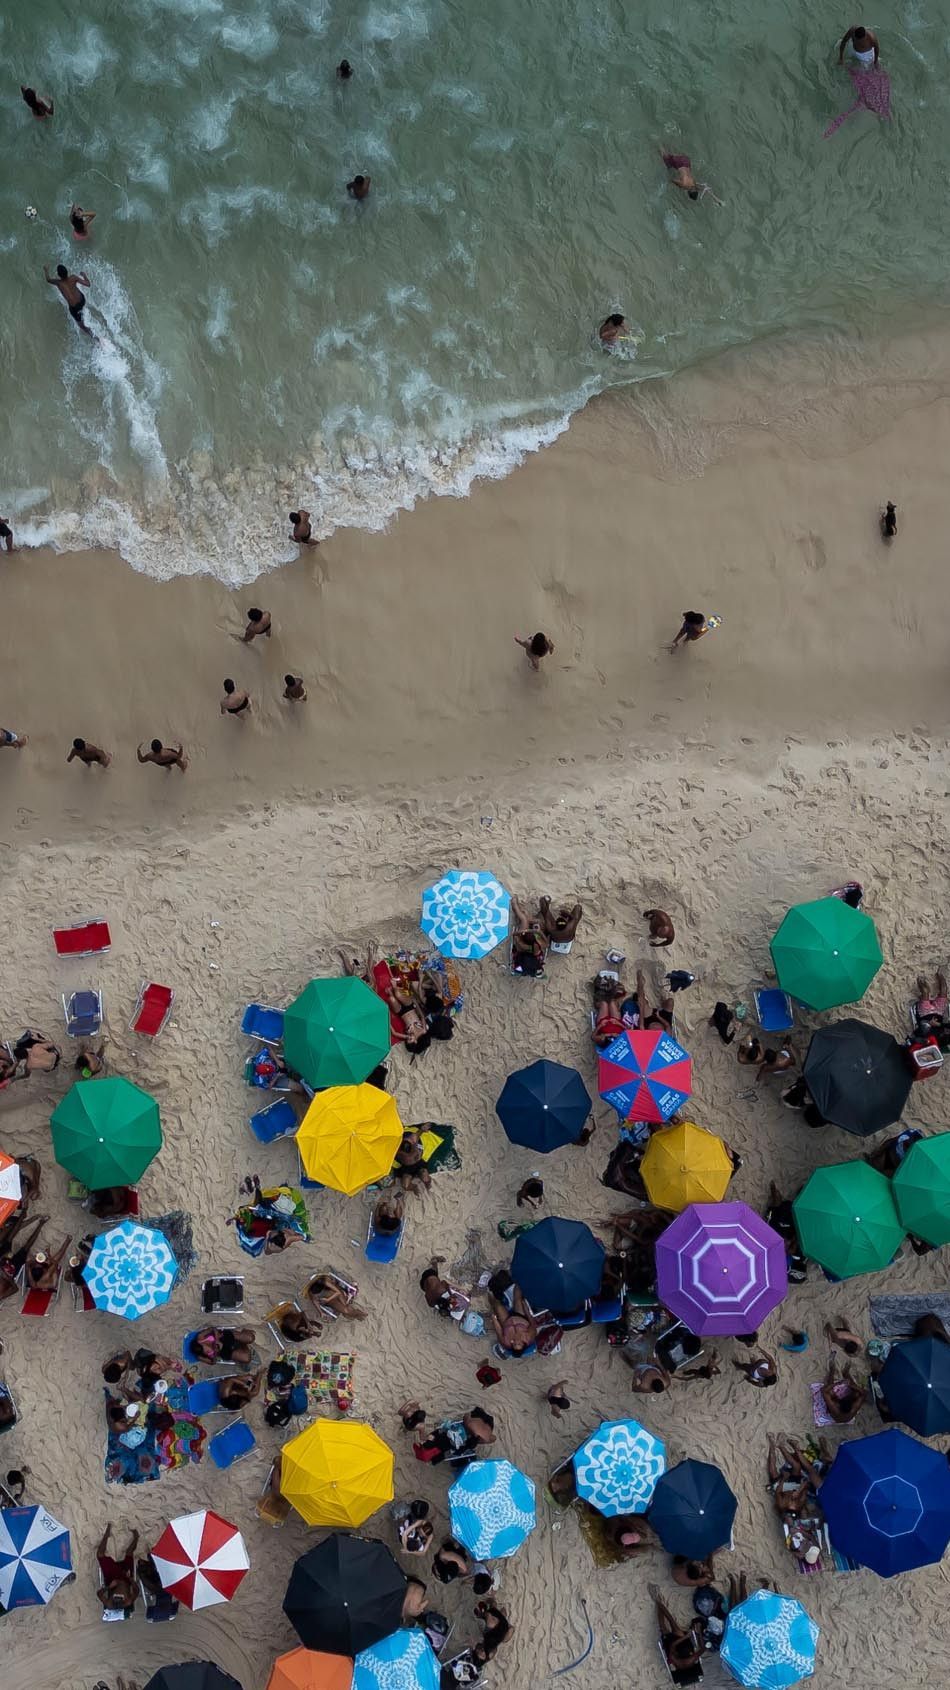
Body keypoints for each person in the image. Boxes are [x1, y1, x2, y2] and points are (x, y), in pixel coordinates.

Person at [651, 1586, 706, 1682]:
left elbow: (672, 1645)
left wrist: (686, 1637)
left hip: (677, 1642)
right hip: (682, 1643)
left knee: (666, 1624)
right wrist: (699, 1632)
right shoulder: (688, 1660)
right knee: (667, 1625)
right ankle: (659, 1604)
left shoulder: (682, 1660)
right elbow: (702, 1648)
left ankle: (658, 1602)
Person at [96, 1524, 139, 1614]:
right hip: (125, 1577)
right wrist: (130, 1579)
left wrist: (108, 1587)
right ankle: (136, 1537)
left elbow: (99, 1594)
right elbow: (136, 1590)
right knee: (129, 1552)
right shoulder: (128, 1601)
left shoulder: (109, 1604)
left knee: (100, 1554)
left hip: (112, 1578)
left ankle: (106, 1535)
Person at [44, 263, 93, 337]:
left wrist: (46, 270)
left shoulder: (59, 283)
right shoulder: (73, 277)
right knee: (80, 307)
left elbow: (48, 279)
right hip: (82, 301)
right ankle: (83, 312)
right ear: (67, 272)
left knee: (82, 327)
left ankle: (96, 338)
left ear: (58, 275)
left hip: (75, 309)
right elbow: (88, 284)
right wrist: (84, 275)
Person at [489, 1286, 538, 1355]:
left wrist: (494, 1319)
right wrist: (526, 1309)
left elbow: (499, 1330)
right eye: (519, 1343)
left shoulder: (505, 1342)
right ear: (523, 1343)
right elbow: (533, 1323)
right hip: (521, 1317)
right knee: (518, 1299)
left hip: (506, 1322)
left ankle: (489, 1293)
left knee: (497, 1306)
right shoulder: (529, 1337)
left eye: (514, 1344)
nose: (516, 1342)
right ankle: (519, 1282)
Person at [821, 1356, 866, 1423]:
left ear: (838, 1405)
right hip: (846, 1412)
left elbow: (824, 1391)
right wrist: (852, 1386)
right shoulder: (854, 1407)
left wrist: (837, 1384)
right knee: (857, 1393)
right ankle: (846, 1373)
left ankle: (832, 1371)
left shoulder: (834, 1408)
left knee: (830, 1392)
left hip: (837, 1416)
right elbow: (864, 1394)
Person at [510, 895, 547, 975]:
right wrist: (539, 932)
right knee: (540, 922)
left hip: (522, 937)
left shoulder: (523, 947)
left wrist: (525, 931)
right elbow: (546, 941)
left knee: (524, 920)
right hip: (531, 935)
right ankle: (530, 920)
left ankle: (515, 906)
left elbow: (515, 935)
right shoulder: (539, 946)